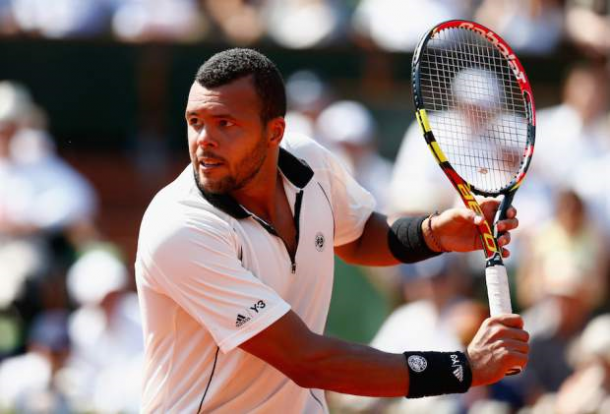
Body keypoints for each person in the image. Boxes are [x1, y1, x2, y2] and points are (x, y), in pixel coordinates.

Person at [135, 48, 529, 413]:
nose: (204, 141)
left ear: (274, 132)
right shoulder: (181, 230)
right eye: (194, 122)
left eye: (225, 124)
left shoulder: (310, 161)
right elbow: (308, 360)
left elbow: (357, 236)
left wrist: (432, 235)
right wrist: (464, 368)